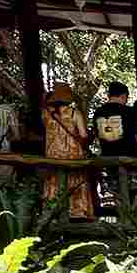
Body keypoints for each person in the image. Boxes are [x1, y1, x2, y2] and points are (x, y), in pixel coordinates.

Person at [42, 84, 95, 219]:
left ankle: (53, 211)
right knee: (75, 180)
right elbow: (83, 135)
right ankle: (77, 212)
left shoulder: (46, 114)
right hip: (73, 155)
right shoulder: (74, 112)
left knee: (54, 181)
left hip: (52, 155)